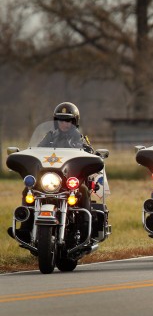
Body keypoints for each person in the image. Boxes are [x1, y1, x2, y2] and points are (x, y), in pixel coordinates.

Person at [8, 102, 95, 243]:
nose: (64, 124)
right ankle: (25, 228)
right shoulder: (50, 137)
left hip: (69, 182)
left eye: (68, 120)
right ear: (56, 122)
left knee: (83, 191)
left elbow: (90, 153)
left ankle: (85, 229)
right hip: (49, 180)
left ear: (74, 122)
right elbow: (36, 150)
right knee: (28, 191)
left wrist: (91, 154)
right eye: (61, 120)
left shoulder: (80, 139)